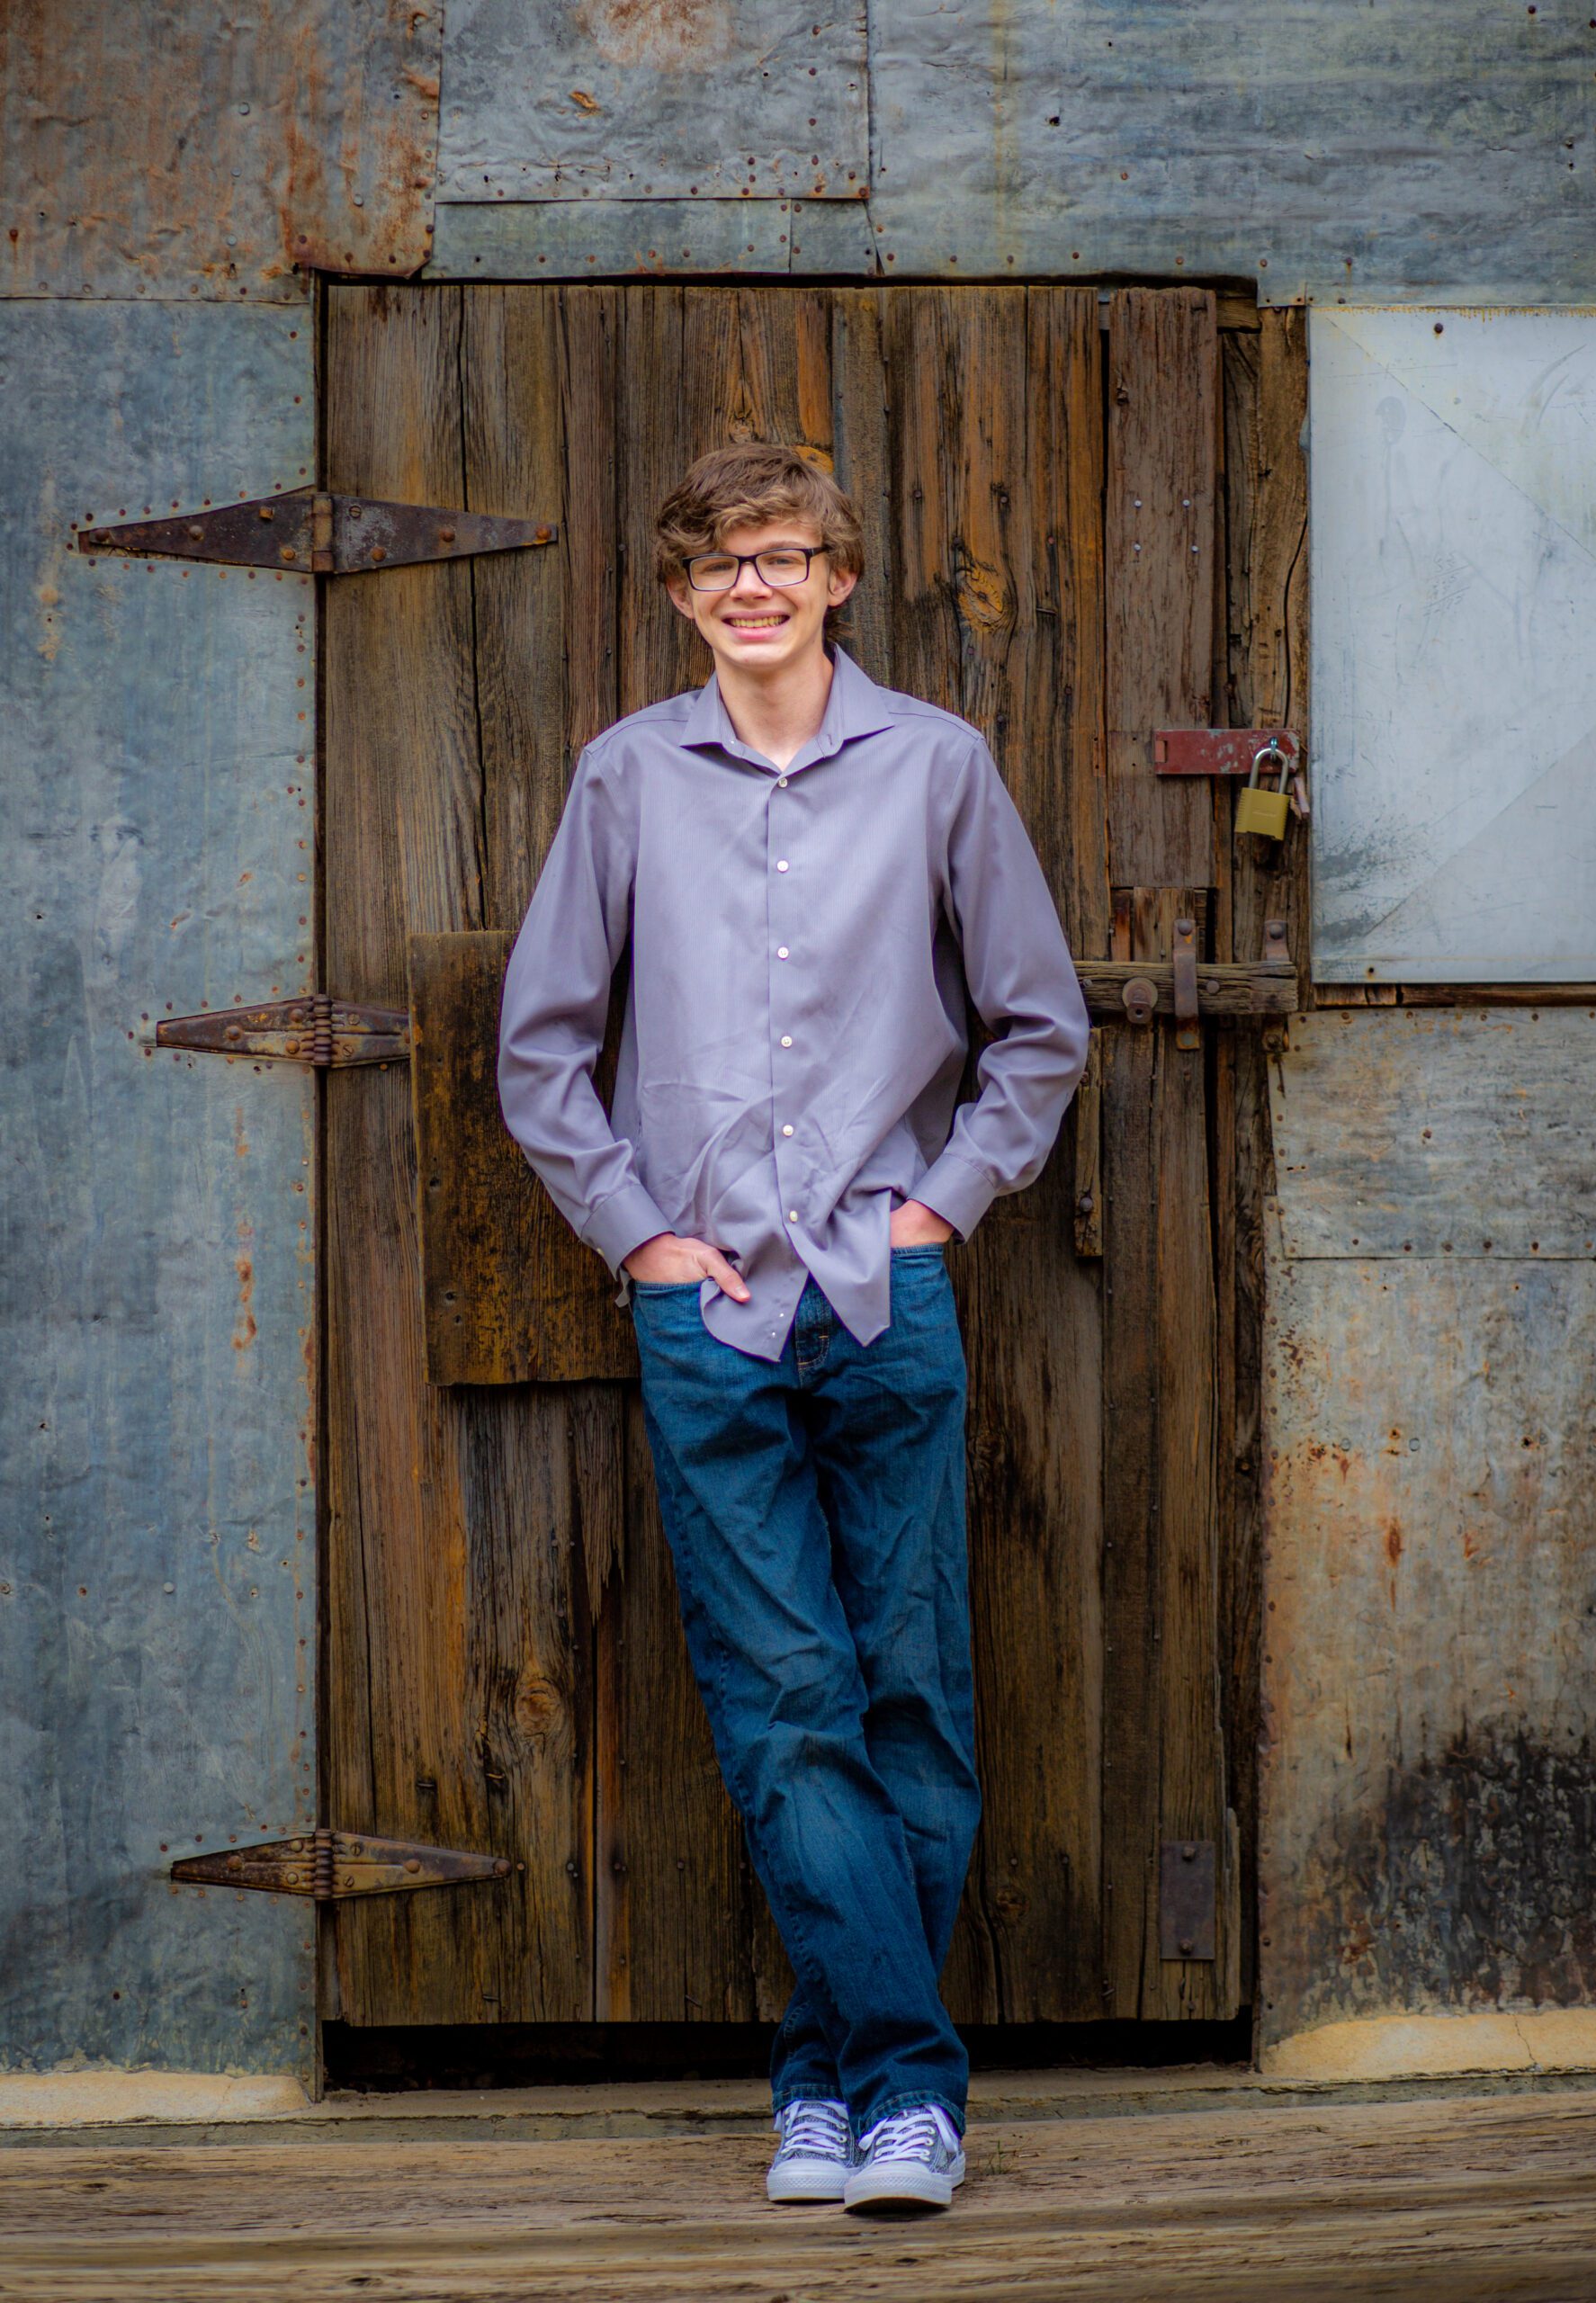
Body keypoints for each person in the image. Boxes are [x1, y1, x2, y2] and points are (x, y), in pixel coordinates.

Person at [498, 443, 1089, 2213]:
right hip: (711, 1314)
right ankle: (906, 2082)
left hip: (881, 1293)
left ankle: (832, 2086)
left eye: (781, 556)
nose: (749, 588)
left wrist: (935, 1210)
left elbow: (1036, 1024)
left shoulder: (937, 768)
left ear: (837, 573)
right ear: (681, 597)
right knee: (784, 1696)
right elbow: (541, 1045)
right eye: (715, 567)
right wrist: (643, 1237)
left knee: (908, 1693)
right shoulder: (624, 779)